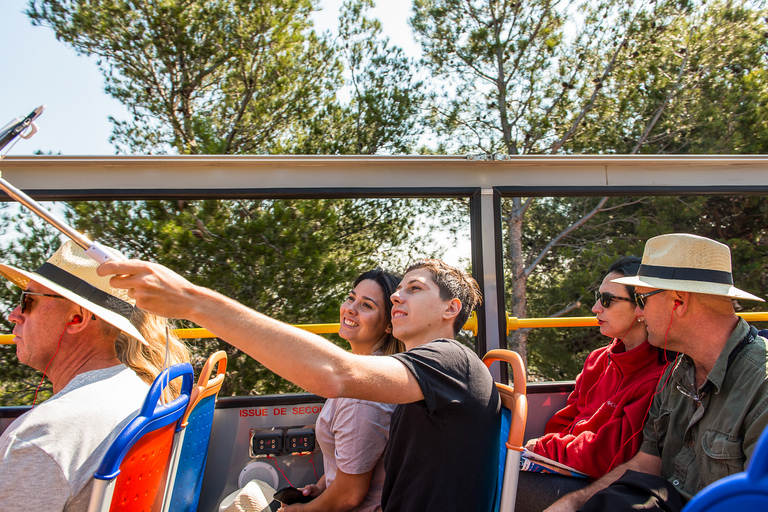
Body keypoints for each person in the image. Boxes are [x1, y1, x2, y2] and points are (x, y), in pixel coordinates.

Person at [98, 257, 502, 511]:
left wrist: (191, 301)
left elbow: (338, 375)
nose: (397, 297)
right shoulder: (418, 371)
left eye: (414, 289)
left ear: (451, 309)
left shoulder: (450, 360)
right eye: (397, 291)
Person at [545, 233, 768, 512]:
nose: (640, 312)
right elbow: (646, 464)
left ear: (678, 301)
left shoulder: (761, 388)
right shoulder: (675, 375)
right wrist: (574, 503)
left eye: (642, 299)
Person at [0, 240, 190, 511]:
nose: (14, 315)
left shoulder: (39, 439)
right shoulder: (141, 392)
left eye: (28, 301)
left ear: (76, 319)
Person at [516, 257, 673, 511]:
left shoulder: (658, 377)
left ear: (641, 307)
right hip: (566, 468)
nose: (596, 308)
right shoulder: (598, 360)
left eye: (607, 300)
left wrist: (545, 447)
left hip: (603, 484)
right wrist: (547, 449)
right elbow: (563, 421)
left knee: (503, 484)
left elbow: (610, 454)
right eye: (598, 298)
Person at [283, 268, 404, 512]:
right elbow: (352, 464)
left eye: (367, 305)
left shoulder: (363, 397)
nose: (350, 308)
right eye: (351, 298)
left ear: (389, 325)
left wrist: (302, 511)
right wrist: (321, 487)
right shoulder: (364, 370)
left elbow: (349, 495)